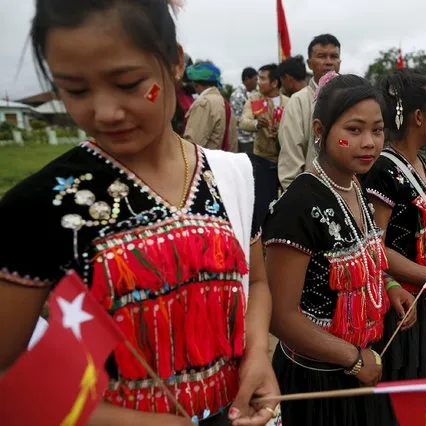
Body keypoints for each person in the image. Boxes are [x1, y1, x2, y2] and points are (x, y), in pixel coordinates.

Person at [0, 1, 280, 425]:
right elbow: (10, 376)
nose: (105, 112)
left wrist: (258, 352)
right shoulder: (39, 207)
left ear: (174, 63)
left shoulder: (235, 176)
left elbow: (256, 282)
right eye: (75, 91)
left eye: (129, 84)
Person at [264, 74, 393, 426]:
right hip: (316, 377)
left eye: (377, 130)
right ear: (320, 129)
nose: (368, 142)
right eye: (353, 130)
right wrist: (351, 357)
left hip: (359, 364)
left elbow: (369, 254)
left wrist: (392, 288)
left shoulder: (354, 186)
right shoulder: (298, 206)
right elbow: (281, 316)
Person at [364, 70, 426, 389]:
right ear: (419, 117)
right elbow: (374, 246)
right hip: (403, 303)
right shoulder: (382, 168)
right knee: (404, 386)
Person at [277, 34, 341, 190]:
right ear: (309, 63)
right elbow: (291, 160)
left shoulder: (353, 98)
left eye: (333, 56)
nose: (328, 62)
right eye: (321, 56)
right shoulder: (298, 102)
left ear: (340, 62)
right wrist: (297, 197)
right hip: (312, 194)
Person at [239, 64, 289, 228]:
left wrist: (282, 130)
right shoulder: (254, 100)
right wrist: (257, 124)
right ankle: (261, 242)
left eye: (262, 78)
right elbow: (243, 122)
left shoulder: (288, 103)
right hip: (261, 160)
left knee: (285, 204)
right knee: (261, 205)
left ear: (274, 83)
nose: (258, 82)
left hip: (284, 161)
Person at [184, 61, 238, 152]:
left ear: (195, 83)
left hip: (206, 163)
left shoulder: (203, 103)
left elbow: (192, 145)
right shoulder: (224, 103)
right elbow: (232, 143)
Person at [231, 67, 259, 154]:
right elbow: (239, 120)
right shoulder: (238, 96)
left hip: (250, 138)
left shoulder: (249, 93)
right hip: (243, 139)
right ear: (247, 79)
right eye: (255, 79)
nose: (257, 82)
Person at [171, 52, 195, 136]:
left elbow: (193, 86)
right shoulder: (157, 86)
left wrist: (182, 84)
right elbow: (148, 101)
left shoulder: (188, 94)